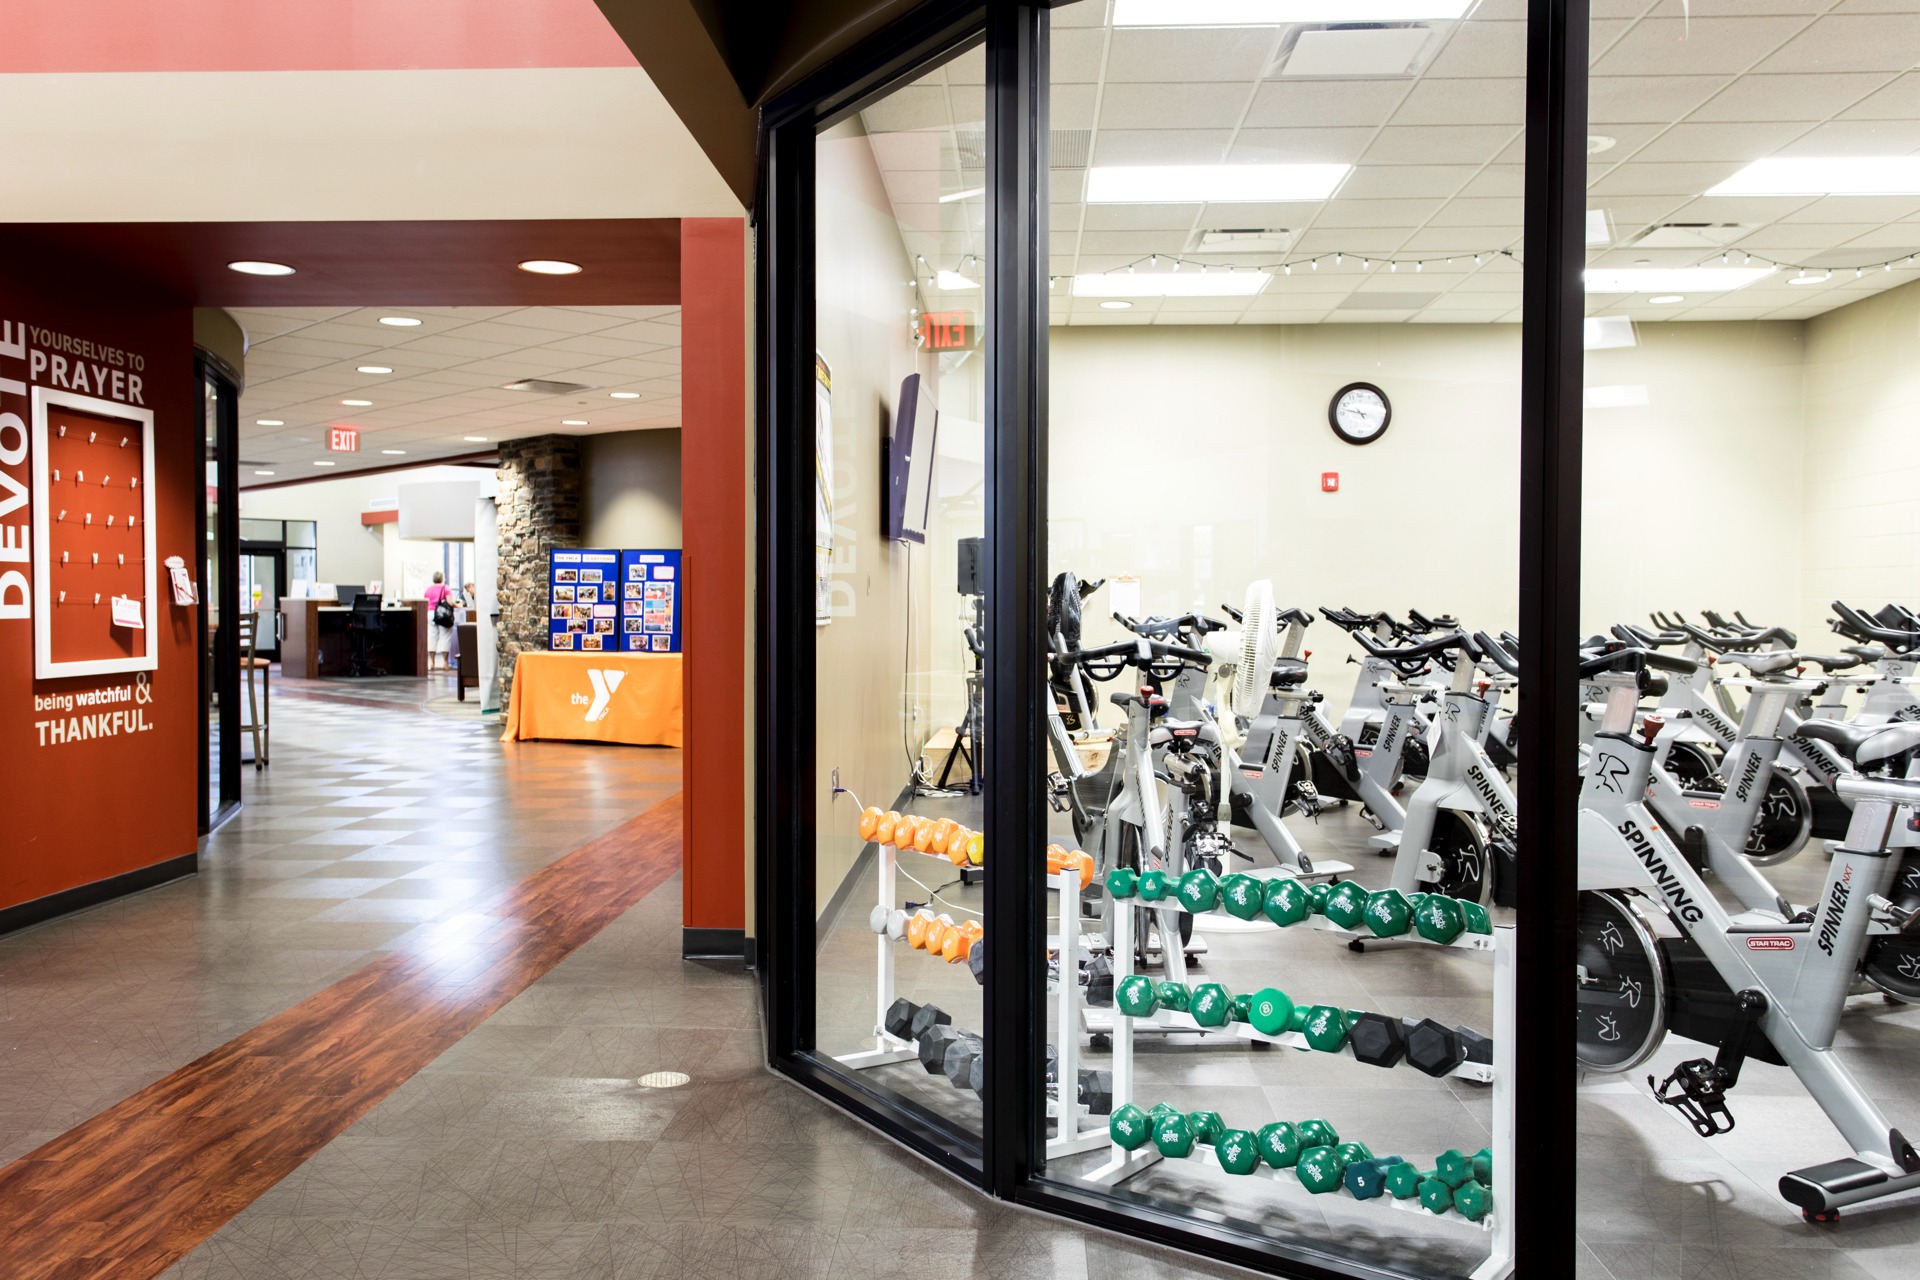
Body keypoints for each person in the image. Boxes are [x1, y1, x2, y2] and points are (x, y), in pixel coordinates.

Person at [425, 572, 454, 672]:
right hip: (442, 613)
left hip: (430, 613)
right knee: (445, 637)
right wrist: (458, 605)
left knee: (432, 637)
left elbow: (426, 601)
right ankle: (445, 663)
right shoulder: (446, 588)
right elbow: (450, 602)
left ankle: (432, 663)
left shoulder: (428, 589)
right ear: (442, 578)